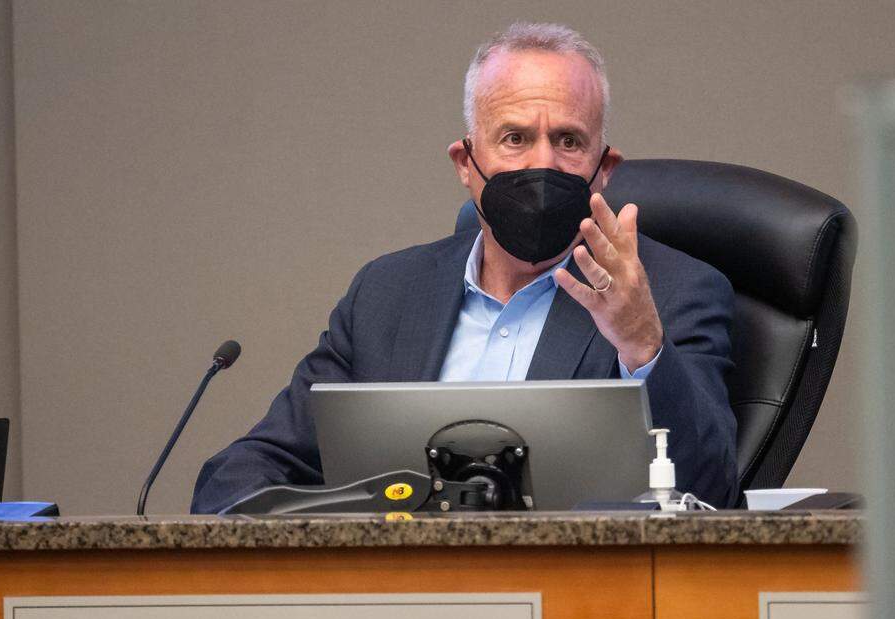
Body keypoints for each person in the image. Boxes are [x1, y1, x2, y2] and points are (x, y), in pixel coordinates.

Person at [191, 22, 737, 513]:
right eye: (515, 138)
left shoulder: (674, 293)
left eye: (569, 141)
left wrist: (642, 345)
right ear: (466, 164)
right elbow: (248, 471)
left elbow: (712, 493)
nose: (541, 163)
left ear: (604, 170)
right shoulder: (388, 294)